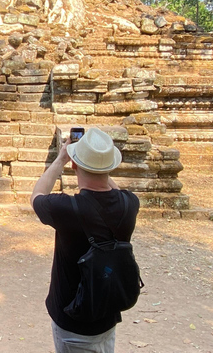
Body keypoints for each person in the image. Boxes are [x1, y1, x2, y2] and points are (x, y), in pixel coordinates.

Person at [31, 127, 140, 353]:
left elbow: (36, 196)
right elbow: (114, 192)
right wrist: (100, 163)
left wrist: (61, 158)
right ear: (111, 167)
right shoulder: (130, 204)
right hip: (107, 315)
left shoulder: (66, 209)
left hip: (72, 321)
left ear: (74, 164)